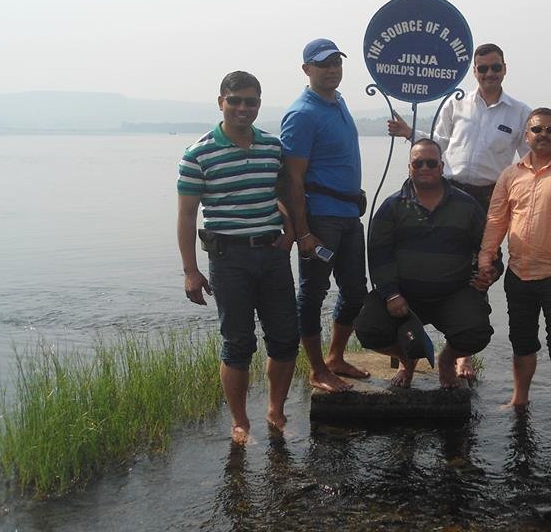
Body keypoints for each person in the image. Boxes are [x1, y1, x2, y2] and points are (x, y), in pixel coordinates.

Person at [387, 42, 530, 379]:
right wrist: (409, 133)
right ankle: (410, 358)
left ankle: (462, 353)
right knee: (423, 267)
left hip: (489, 199)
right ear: (474, 71)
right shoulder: (457, 102)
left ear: (505, 69)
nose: (489, 74)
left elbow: (527, 162)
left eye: (495, 68)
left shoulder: (520, 112)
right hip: (446, 193)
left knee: (480, 272)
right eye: (483, 69)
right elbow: (437, 145)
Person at [177, 71, 299, 444]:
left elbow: (281, 193)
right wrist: (190, 272)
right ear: (221, 103)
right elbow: (186, 216)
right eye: (236, 101)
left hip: (272, 254)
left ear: (259, 105)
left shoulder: (271, 147)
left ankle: (276, 411)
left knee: (284, 339)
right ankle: (240, 422)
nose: (243, 108)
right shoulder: (197, 154)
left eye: (251, 101)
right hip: (228, 259)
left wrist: (291, 230)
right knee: (237, 343)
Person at [478, 108, 551, 423]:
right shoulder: (510, 175)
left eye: (550, 130)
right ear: (526, 135)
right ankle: (519, 399)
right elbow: (495, 219)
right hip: (519, 273)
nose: (543, 135)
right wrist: (486, 255)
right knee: (522, 338)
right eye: (536, 129)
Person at [355, 139, 499, 389]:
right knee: (368, 329)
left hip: (452, 295)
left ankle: (447, 359)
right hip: (404, 297)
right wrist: (391, 294)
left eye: (431, 163)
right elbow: (379, 254)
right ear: (409, 167)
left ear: (442, 166)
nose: (424, 167)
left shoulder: (466, 205)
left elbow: (488, 249)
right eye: (417, 163)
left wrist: (491, 271)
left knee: (476, 333)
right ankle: (406, 359)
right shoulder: (392, 206)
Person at [280, 38, 369, 392]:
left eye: (336, 62)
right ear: (307, 69)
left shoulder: (338, 100)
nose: (332, 69)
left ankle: (335, 357)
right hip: (320, 218)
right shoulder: (302, 114)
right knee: (313, 293)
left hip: (348, 215)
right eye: (323, 64)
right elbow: (292, 179)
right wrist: (302, 232)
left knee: (355, 290)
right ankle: (317, 369)